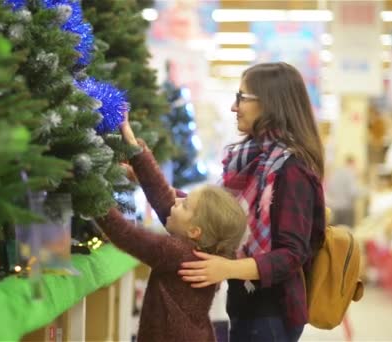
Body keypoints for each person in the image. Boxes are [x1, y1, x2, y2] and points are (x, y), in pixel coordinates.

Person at [176, 62, 326, 342]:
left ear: (270, 103)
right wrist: (144, 174)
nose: (234, 107)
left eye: (241, 98)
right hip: (247, 305)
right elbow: (210, 213)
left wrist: (228, 268)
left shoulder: (291, 169)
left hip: (271, 313)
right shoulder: (250, 163)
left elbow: (292, 255)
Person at [95, 119, 247, 342]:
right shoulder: (210, 250)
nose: (176, 202)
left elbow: (125, 234)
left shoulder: (176, 251)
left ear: (195, 231)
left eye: (184, 205)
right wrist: (131, 141)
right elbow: (164, 196)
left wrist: (92, 193)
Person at [326, 155, 360, 227]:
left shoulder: (335, 173)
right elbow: (353, 192)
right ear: (352, 163)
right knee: (347, 233)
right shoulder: (350, 173)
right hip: (346, 209)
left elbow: (329, 189)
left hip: (335, 208)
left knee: (337, 234)